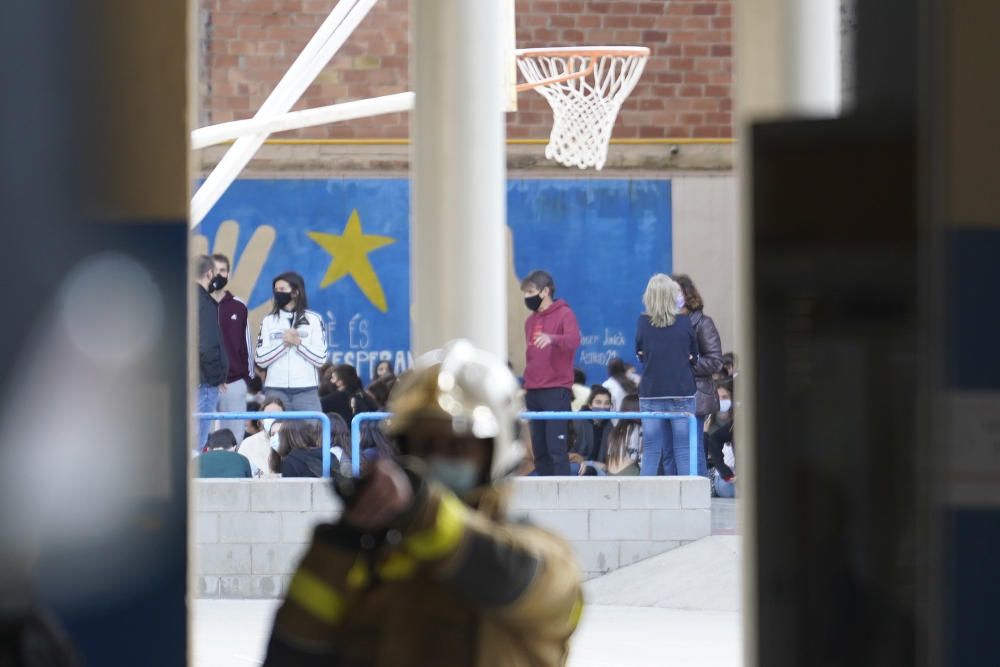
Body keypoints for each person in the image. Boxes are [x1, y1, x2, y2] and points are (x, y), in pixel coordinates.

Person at [264, 340, 583, 665]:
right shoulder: (369, 564)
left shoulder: (542, 557)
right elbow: (291, 652)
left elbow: (508, 575)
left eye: (457, 446)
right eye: (424, 444)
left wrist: (423, 509)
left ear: (496, 451)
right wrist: (340, 542)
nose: (436, 458)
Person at [635, 274, 700, 476]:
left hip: (651, 392)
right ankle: (687, 499)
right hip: (681, 391)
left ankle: (646, 498)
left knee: (652, 449)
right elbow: (695, 356)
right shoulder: (684, 322)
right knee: (683, 449)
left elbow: (640, 354)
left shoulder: (642, 322)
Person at [521, 270, 581, 476]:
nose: (526, 297)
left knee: (556, 447)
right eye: (525, 293)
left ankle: (563, 496)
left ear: (545, 291)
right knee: (539, 449)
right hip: (533, 391)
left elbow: (574, 341)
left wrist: (552, 338)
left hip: (556, 389)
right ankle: (545, 492)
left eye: (530, 292)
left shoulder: (565, 313)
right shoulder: (530, 321)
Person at [672, 273, 724, 469]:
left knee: (692, 450)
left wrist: (686, 364)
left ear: (687, 293)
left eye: (676, 291)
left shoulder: (703, 322)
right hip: (670, 394)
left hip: (695, 394)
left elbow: (715, 361)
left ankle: (698, 494)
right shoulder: (666, 324)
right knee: (672, 450)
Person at [255, 272, 327, 412]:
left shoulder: (314, 320)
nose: (278, 293)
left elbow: (321, 359)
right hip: (275, 390)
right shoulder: (268, 321)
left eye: (282, 289)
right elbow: (260, 360)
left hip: (306, 390)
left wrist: (298, 344)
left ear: (295, 292)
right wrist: (284, 345)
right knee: (274, 432)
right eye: (276, 290)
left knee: (310, 433)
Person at [210, 253, 253, 440]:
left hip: (234, 383)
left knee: (235, 439)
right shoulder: (195, 303)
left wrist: (246, 379)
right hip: (204, 385)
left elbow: (246, 345)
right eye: (214, 271)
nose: (218, 275)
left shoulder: (238, 306)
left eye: (223, 270)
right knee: (202, 440)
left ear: (229, 274)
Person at [195, 254, 228, 453]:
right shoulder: (203, 302)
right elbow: (207, 346)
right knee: (196, 444)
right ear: (209, 273)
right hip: (203, 382)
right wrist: (217, 376)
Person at [568, 385, 614, 476]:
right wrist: (592, 463)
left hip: (601, 468)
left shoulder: (610, 426)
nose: (602, 407)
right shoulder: (577, 422)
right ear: (590, 405)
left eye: (606, 403)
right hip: (577, 464)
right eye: (598, 402)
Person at [321, 364, 379, 428]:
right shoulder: (366, 397)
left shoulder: (334, 399)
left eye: (333, 378)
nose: (331, 381)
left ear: (340, 382)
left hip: (343, 436)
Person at [239, 396, 285, 478]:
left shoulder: (291, 441)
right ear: (261, 420)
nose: (273, 419)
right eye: (268, 415)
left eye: (277, 415)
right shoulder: (248, 443)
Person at [706, 379, 736, 497]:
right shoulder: (707, 420)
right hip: (718, 473)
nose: (721, 401)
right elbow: (704, 453)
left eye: (725, 397)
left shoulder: (736, 421)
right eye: (718, 398)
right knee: (729, 489)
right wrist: (704, 434)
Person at [605, 394, 643, 475]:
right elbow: (637, 459)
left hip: (610, 474)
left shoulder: (616, 430)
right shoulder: (637, 429)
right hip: (629, 472)